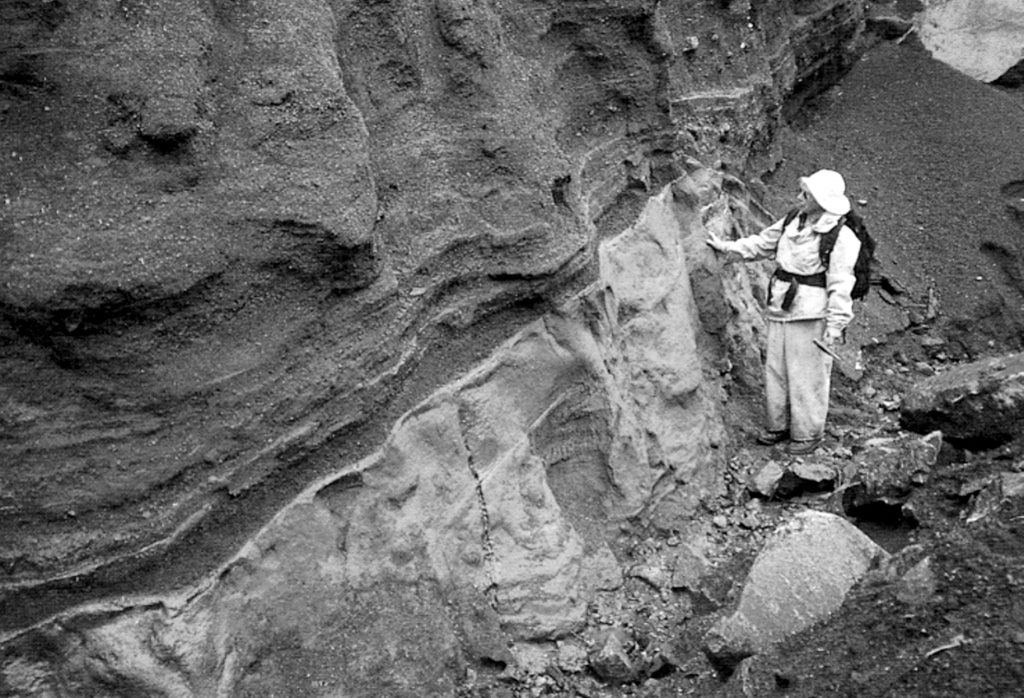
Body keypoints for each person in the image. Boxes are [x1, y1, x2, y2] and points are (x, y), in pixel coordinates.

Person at [706, 169, 862, 456]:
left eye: (806, 195)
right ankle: (779, 425)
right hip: (781, 307)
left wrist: (835, 325)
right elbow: (763, 244)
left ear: (821, 200)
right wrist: (727, 247)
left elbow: (841, 283)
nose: (799, 197)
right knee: (776, 370)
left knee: (808, 375)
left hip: (812, 315)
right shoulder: (793, 220)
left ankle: (807, 434)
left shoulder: (842, 237)